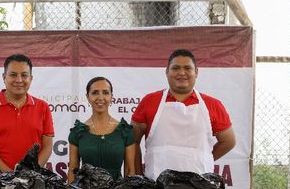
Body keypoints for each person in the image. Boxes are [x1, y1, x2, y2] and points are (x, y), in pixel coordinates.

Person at [131, 49, 236, 180]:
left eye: (187, 68)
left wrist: (205, 157)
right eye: (175, 68)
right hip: (155, 187)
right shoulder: (149, 101)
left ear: (196, 72)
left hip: (199, 187)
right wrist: (138, 177)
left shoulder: (213, 105)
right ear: (167, 71)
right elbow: (132, 142)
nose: (181, 73)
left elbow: (229, 141)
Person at [0, 54, 54, 171]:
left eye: (24, 75)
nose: (19, 80)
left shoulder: (43, 107)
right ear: (4, 77)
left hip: (33, 181)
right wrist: (10, 176)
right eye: (13, 75)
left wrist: (30, 173)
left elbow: (47, 147)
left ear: (31, 78)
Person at [67, 76, 135, 182]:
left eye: (105, 92)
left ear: (112, 97)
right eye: (95, 93)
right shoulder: (78, 132)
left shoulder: (125, 131)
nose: (100, 97)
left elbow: (130, 171)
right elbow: (72, 170)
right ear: (88, 97)